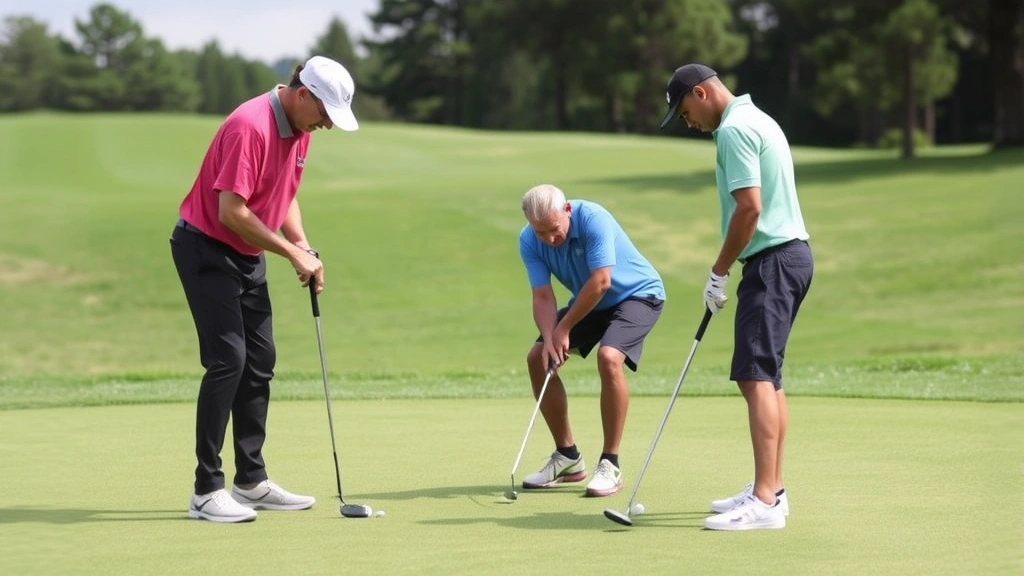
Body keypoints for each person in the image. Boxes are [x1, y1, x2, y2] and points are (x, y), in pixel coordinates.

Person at [170, 55, 359, 523]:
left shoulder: (299, 130)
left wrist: (303, 245)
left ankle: (250, 481)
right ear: (302, 94)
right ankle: (205, 490)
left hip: (246, 253)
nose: (327, 126)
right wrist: (290, 254)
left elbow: (283, 193)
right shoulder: (249, 126)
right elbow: (231, 210)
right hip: (205, 248)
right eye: (325, 114)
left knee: (260, 362)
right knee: (227, 360)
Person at [659, 63, 813, 530]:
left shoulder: (733, 131)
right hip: (788, 257)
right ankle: (773, 490)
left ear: (702, 93)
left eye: (684, 112)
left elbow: (749, 208)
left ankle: (764, 503)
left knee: (755, 376)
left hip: (771, 261)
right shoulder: (759, 118)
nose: (687, 123)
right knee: (768, 377)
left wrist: (718, 270)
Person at [518, 184, 666, 497]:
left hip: (639, 295)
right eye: (540, 232)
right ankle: (568, 457)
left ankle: (610, 464)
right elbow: (542, 295)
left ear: (567, 211)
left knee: (609, 357)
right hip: (592, 302)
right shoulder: (529, 240)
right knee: (537, 358)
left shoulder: (593, 218)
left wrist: (564, 328)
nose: (549, 240)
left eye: (554, 230)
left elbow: (601, 281)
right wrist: (549, 338)